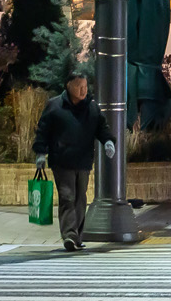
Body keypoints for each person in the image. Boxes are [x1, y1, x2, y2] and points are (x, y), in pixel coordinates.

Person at [32, 70, 113, 251]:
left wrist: (108, 141)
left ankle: (77, 235)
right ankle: (69, 235)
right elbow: (43, 131)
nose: (83, 90)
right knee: (67, 197)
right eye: (79, 86)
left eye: (85, 86)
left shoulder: (92, 107)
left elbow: (102, 127)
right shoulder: (55, 106)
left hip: (83, 161)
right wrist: (40, 154)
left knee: (80, 198)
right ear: (69, 86)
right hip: (62, 160)